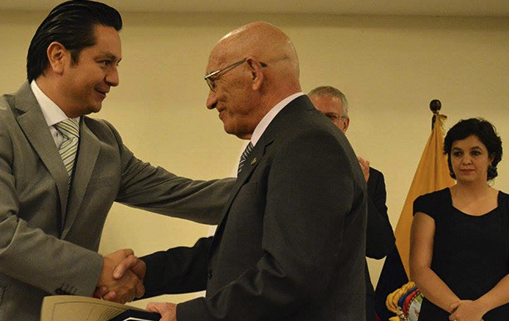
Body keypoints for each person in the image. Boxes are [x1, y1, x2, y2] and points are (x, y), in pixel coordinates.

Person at [0, 1, 233, 321]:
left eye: (117, 64)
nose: (115, 78)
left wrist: (270, 186)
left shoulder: (105, 144)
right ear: (58, 56)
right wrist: (98, 271)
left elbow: (183, 194)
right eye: (105, 62)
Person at [110, 21, 367, 320]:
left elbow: (292, 276)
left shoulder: (308, 142)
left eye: (214, 82)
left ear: (254, 73)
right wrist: (148, 273)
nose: (210, 101)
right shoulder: (283, 140)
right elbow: (237, 250)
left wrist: (190, 316)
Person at [308, 85, 395, 321]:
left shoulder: (371, 178)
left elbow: (379, 247)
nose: (324, 124)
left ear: (345, 124)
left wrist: (359, 191)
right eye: (315, 117)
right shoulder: (283, 171)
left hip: (351, 300)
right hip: (298, 299)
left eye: (331, 117)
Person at [411, 118, 509, 321]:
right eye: (457, 153)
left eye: (475, 152)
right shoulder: (429, 205)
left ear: (491, 157)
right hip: (441, 313)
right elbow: (419, 269)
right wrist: (460, 312)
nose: (465, 161)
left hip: (497, 313)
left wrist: (477, 309)